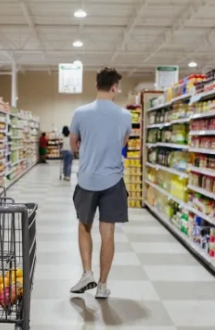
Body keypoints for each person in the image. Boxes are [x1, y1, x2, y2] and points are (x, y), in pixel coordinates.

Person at [68, 68, 131, 299]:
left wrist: (86, 148)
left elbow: (73, 144)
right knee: (108, 232)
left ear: (97, 85)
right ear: (114, 87)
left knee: (84, 226)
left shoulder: (80, 113)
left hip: (86, 179)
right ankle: (103, 286)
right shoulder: (124, 115)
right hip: (113, 180)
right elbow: (123, 142)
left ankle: (87, 273)